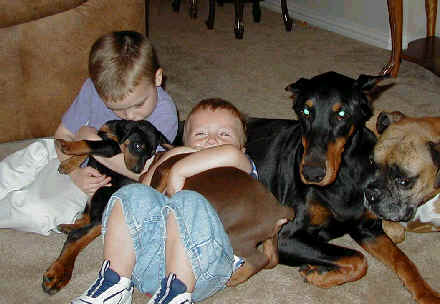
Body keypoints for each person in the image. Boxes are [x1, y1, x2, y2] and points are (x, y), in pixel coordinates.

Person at [72, 98, 257, 304]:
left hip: (206, 267)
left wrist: (179, 170)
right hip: (147, 265)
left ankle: (176, 295)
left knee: (189, 200)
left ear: (242, 149)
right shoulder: (178, 156)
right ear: (185, 144)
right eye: (200, 134)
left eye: (224, 134)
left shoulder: (239, 164)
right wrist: (173, 156)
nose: (212, 140)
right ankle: (114, 283)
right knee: (132, 193)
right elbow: (147, 194)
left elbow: (229, 154)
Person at [0, 31, 178, 236]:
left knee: (38, 212)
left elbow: (148, 173)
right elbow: (63, 133)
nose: (130, 116)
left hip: (98, 182)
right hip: (70, 157)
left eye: (139, 104)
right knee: (31, 157)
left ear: (157, 78)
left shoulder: (165, 114)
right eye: (116, 109)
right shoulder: (93, 88)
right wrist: (74, 172)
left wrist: (92, 145)